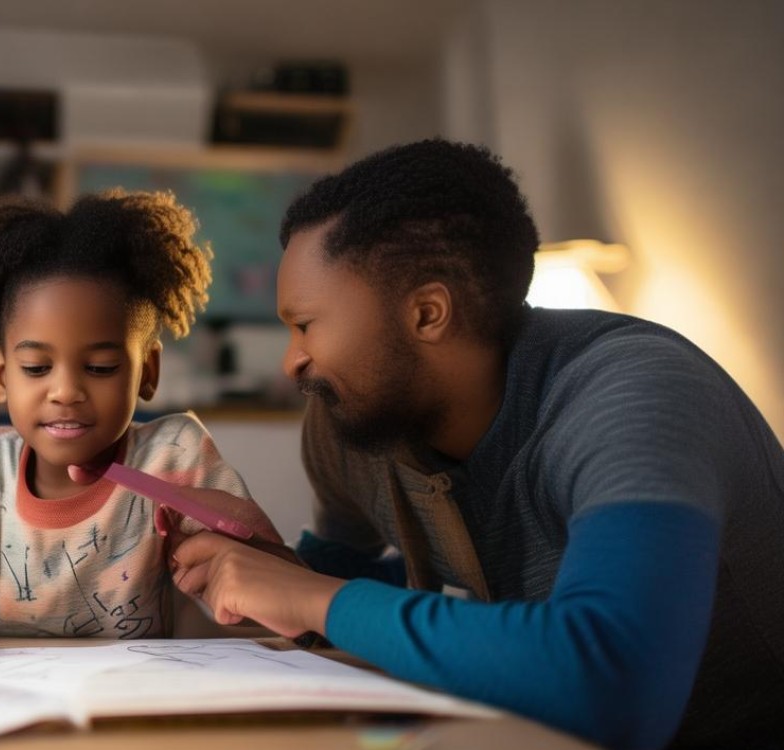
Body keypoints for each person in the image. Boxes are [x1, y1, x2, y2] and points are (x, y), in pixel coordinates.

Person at [167, 139, 784, 750]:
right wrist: (273, 569)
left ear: (428, 313)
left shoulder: (634, 397)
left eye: (305, 325)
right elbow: (350, 588)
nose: (292, 362)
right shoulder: (354, 422)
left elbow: (616, 685)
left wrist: (311, 596)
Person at [0, 190, 284, 665]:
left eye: (101, 367)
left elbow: (265, 601)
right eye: (36, 368)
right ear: (1, 375)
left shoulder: (172, 459)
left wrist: (251, 552)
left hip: (127, 699)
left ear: (147, 373)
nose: (66, 391)